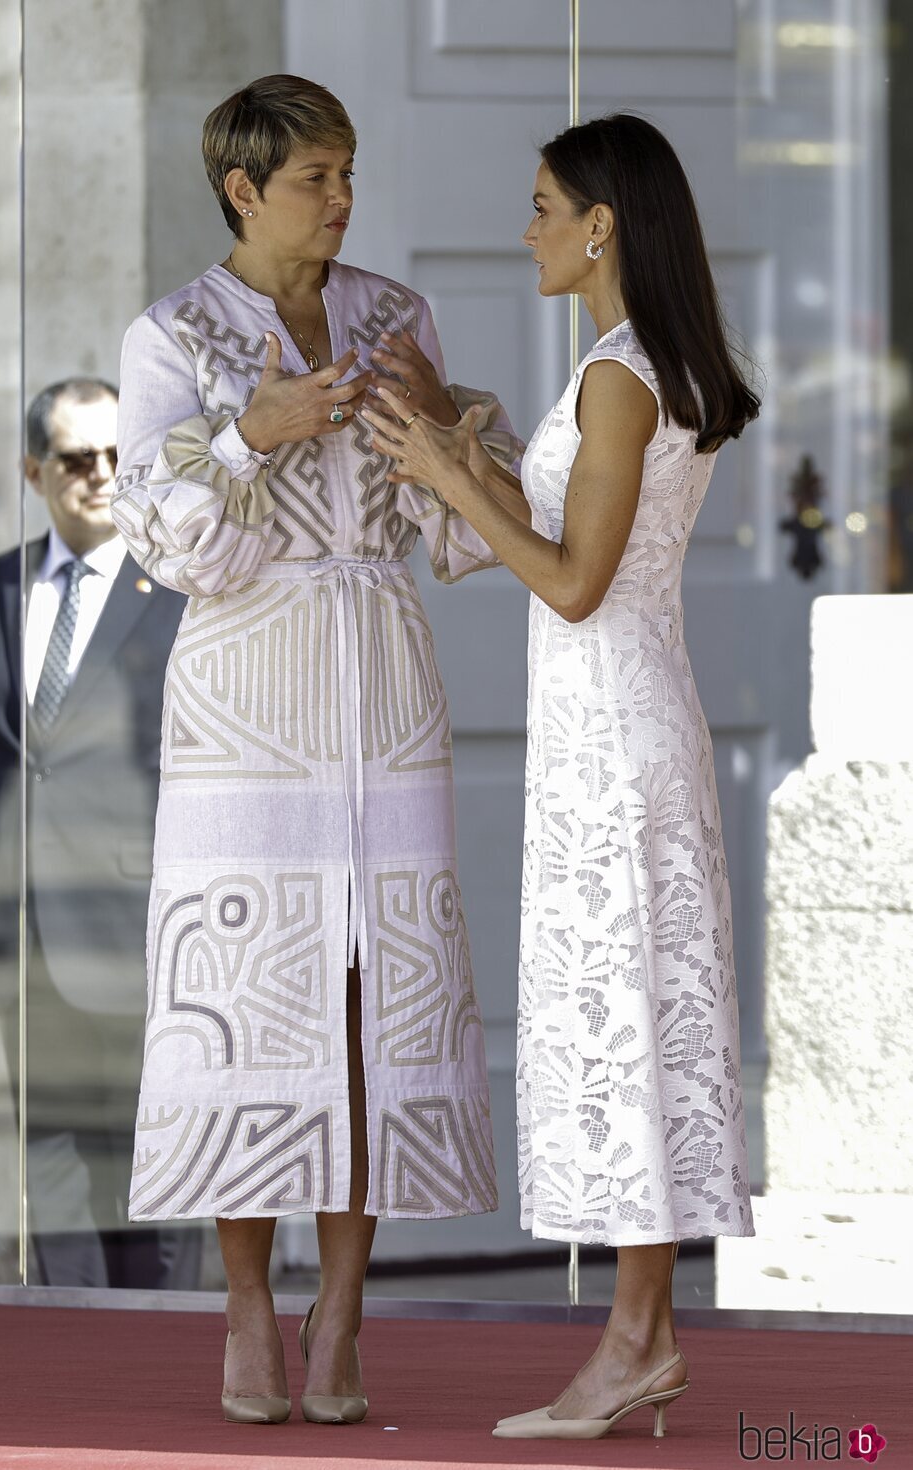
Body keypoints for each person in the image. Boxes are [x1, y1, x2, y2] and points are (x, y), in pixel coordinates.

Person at [110, 74, 521, 1426]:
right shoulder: (169, 334)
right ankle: (245, 1299)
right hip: (246, 702)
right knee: (249, 996)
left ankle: (341, 1308)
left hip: (381, 684)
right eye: (316, 180)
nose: (344, 203)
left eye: (350, 176)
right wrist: (250, 431)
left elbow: (462, 535)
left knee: (366, 1007)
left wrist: (449, 417)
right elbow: (175, 550)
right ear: (244, 186)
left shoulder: (396, 313)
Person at [364, 113, 758, 1442]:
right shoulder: (637, 363)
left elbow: (572, 584)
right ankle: (640, 1336)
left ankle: (635, 1340)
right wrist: (441, 430)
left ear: (602, 224)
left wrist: (440, 473)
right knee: (631, 1018)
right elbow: (564, 537)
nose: (525, 227)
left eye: (542, 205)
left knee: (624, 1020)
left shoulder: (616, 375)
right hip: (623, 727)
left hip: (614, 735)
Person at [0, 378, 199, 1290]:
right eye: (79, 459)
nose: (100, 476)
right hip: (22, 925)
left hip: (142, 922)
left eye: (118, 456)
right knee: (45, 1157)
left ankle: (164, 1337)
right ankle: (75, 1329)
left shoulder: (181, 588)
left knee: (150, 1153)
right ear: (34, 470)